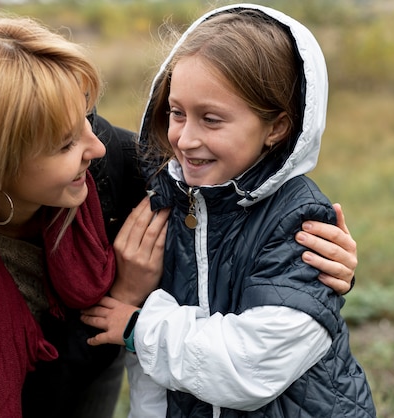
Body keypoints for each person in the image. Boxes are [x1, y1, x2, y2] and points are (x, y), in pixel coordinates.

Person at [0, 12, 359, 418]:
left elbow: (233, 215)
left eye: (86, 117)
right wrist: (123, 296)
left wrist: (321, 265)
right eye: (64, 142)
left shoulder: (114, 166)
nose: (96, 145)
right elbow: (34, 399)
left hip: (96, 367)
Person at [81, 4, 376, 417]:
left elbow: (248, 367)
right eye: (177, 112)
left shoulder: (301, 223)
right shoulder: (168, 196)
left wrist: (139, 327)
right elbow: (153, 376)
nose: (185, 139)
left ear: (276, 127)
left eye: (212, 119)